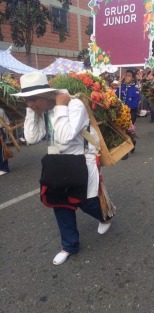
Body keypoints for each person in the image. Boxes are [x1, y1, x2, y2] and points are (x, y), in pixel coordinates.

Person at [12, 72, 112, 265]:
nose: (30, 103)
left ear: (46, 94)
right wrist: (32, 111)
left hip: (81, 159)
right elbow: (31, 138)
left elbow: (65, 138)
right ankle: (69, 245)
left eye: (32, 99)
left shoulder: (74, 105)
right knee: (59, 203)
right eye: (26, 100)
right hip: (57, 161)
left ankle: (105, 216)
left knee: (87, 201)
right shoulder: (40, 110)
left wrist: (59, 106)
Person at [0, 107, 10, 175]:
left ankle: (4, 168)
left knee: (2, 150)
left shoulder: (1, 111)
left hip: (0, 132)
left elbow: (7, 122)